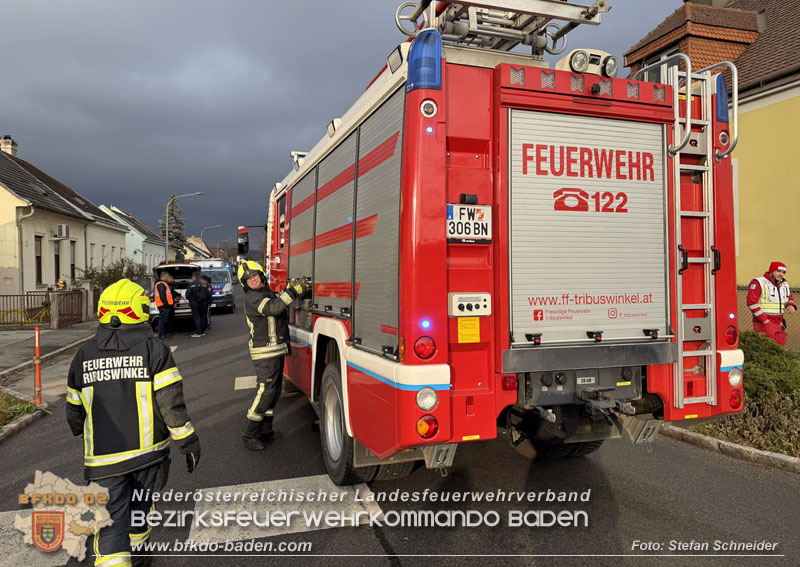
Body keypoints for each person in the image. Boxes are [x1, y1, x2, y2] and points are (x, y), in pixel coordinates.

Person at [66, 279, 201, 566]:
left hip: (103, 461)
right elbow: (171, 405)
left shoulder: (84, 354)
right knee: (141, 506)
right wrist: (188, 443)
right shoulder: (155, 350)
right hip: (149, 456)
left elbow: (74, 411)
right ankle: (139, 556)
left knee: (109, 522)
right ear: (139, 309)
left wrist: (86, 436)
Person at [238, 260, 308, 451]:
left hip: (275, 350)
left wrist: (288, 290)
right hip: (265, 353)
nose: (252, 280)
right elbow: (274, 308)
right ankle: (249, 433)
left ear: (261, 275)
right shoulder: (253, 298)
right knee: (265, 392)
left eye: (254, 276)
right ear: (244, 284)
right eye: (248, 279)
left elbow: (277, 302)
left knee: (273, 393)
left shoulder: (264, 293)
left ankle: (265, 431)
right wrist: (294, 291)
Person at [748, 261, 797, 346]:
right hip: (763, 322)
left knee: (780, 348)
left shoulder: (784, 284)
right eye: (778, 271)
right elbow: (751, 302)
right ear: (771, 271)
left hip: (779, 322)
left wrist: (791, 305)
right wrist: (765, 320)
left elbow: (788, 298)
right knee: (767, 349)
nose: (781, 274)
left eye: (783, 272)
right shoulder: (758, 282)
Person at [185, 273, 210, 338]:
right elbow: (208, 294)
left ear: (193, 277)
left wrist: (191, 298)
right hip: (203, 304)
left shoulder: (191, 285)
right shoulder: (204, 285)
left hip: (194, 304)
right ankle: (202, 331)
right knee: (202, 317)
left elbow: (187, 295)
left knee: (197, 318)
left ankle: (198, 333)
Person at [154, 271, 176, 340]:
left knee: (164, 320)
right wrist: (167, 304)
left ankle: (164, 334)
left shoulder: (163, 283)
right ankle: (161, 335)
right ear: (164, 276)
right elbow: (162, 296)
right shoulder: (161, 284)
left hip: (163, 305)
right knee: (162, 320)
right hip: (163, 305)